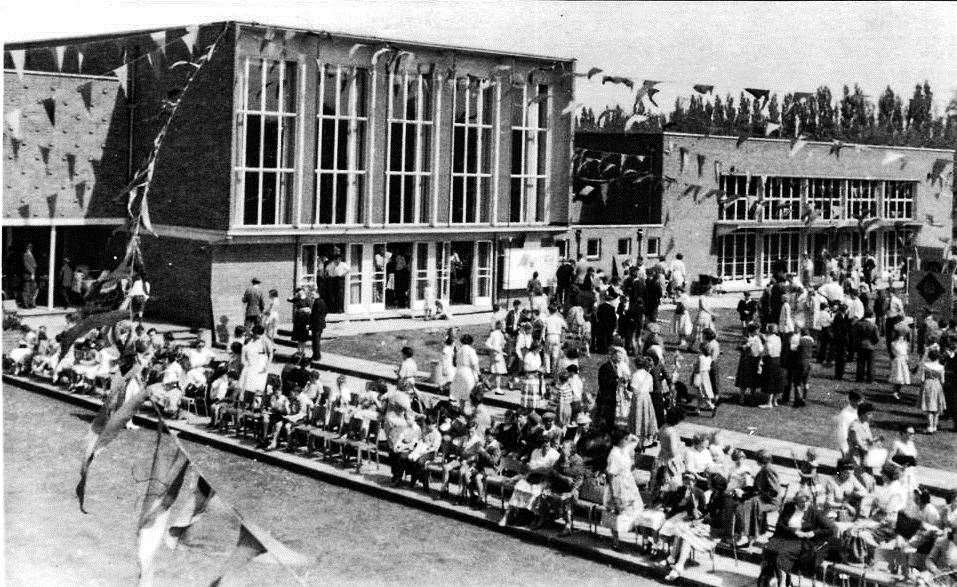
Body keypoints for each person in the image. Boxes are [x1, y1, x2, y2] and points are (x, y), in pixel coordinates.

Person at [761, 490, 837, 584]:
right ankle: (768, 579)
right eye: (802, 502)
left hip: (801, 542)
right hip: (784, 537)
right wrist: (794, 531)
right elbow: (780, 524)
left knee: (781, 554)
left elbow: (832, 529)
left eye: (807, 502)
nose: (805, 505)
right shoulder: (789, 507)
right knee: (768, 549)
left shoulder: (814, 512)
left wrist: (813, 533)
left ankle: (783, 580)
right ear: (796, 501)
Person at [499, 436, 559, 528]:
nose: (545, 445)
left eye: (547, 442)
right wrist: (539, 469)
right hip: (531, 477)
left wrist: (536, 469)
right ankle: (507, 516)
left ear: (550, 443)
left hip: (545, 480)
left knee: (535, 492)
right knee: (519, 487)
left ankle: (533, 518)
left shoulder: (555, 455)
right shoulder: (535, 452)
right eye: (543, 443)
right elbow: (529, 467)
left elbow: (549, 472)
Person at [603, 427, 645, 549]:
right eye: (625, 439)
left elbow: (635, 440)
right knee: (616, 512)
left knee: (634, 508)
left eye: (627, 439)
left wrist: (627, 434)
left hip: (628, 483)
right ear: (619, 440)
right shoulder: (614, 453)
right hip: (617, 484)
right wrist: (614, 494)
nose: (627, 440)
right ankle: (615, 540)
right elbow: (610, 476)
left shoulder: (624, 449)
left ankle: (637, 539)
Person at [449, 334, 479, 407]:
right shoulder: (471, 350)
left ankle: (461, 410)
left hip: (459, 372)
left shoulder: (459, 351)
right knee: (468, 395)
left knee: (460, 395)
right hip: (468, 373)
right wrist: (478, 373)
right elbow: (475, 363)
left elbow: (455, 362)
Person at [921, 349, 946, 434]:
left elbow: (922, 379)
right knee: (937, 408)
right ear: (938, 357)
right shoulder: (941, 367)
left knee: (929, 408)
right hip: (937, 386)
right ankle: (934, 426)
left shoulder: (926, 365)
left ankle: (929, 426)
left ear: (929, 357)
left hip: (927, 385)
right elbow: (942, 381)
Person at [759, 323, 783, 410]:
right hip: (778, 359)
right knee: (777, 379)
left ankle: (769, 403)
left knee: (770, 380)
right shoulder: (778, 338)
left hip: (770, 360)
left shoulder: (768, 339)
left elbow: (768, 351)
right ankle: (775, 401)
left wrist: (763, 353)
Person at [854, 310, 880, 383]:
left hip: (861, 345)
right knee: (871, 364)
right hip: (870, 346)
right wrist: (873, 343)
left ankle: (859, 378)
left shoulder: (859, 324)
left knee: (860, 363)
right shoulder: (873, 325)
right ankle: (870, 379)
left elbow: (855, 335)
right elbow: (877, 338)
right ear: (871, 316)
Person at [791, 328, 815, 407]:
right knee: (806, 382)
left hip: (800, 362)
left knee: (797, 382)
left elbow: (795, 349)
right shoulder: (811, 340)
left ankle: (800, 398)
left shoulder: (801, 340)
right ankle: (804, 398)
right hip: (808, 362)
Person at [542, 305, 567, 379]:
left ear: (549, 311)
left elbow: (544, 329)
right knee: (555, 355)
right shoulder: (559, 319)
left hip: (550, 335)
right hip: (557, 336)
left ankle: (548, 370)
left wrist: (543, 338)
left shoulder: (547, 319)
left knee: (547, 353)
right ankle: (553, 371)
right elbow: (565, 326)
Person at [485, 321, 507, 393]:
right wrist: (495, 349)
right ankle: (498, 388)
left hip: (499, 354)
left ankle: (487, 383)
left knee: (496, 372)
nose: (504, 326)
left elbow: (501, 345)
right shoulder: (494, 334)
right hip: (496, 355)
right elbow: (487, 344)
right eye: (503, 325)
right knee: (498, 372)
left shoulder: (501, 334)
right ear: (500, 326)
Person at [310, 292, 328, 361]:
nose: (312, 296)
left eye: (313, 294)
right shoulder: (322, 301)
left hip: (316, 325)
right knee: (317, 340)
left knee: (315, 341)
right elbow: (326, 311)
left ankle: (316, 356)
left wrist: (311, 323)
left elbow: (314, 315)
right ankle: (316, 355)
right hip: (321, 324)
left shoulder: (317, 302)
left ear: (317, 294)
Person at [21, 243, 38, 309]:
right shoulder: (25, 255)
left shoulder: (31, 255)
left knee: (32, 289)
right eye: (29, 247)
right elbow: (26, 265)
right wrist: (32, 272)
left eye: (31, 247)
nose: (30, 248)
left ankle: (30, 303)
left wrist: (33, 271)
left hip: (32, 275)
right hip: (27, 275)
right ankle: (25, 304)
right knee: (26, 290)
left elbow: (35, 265)